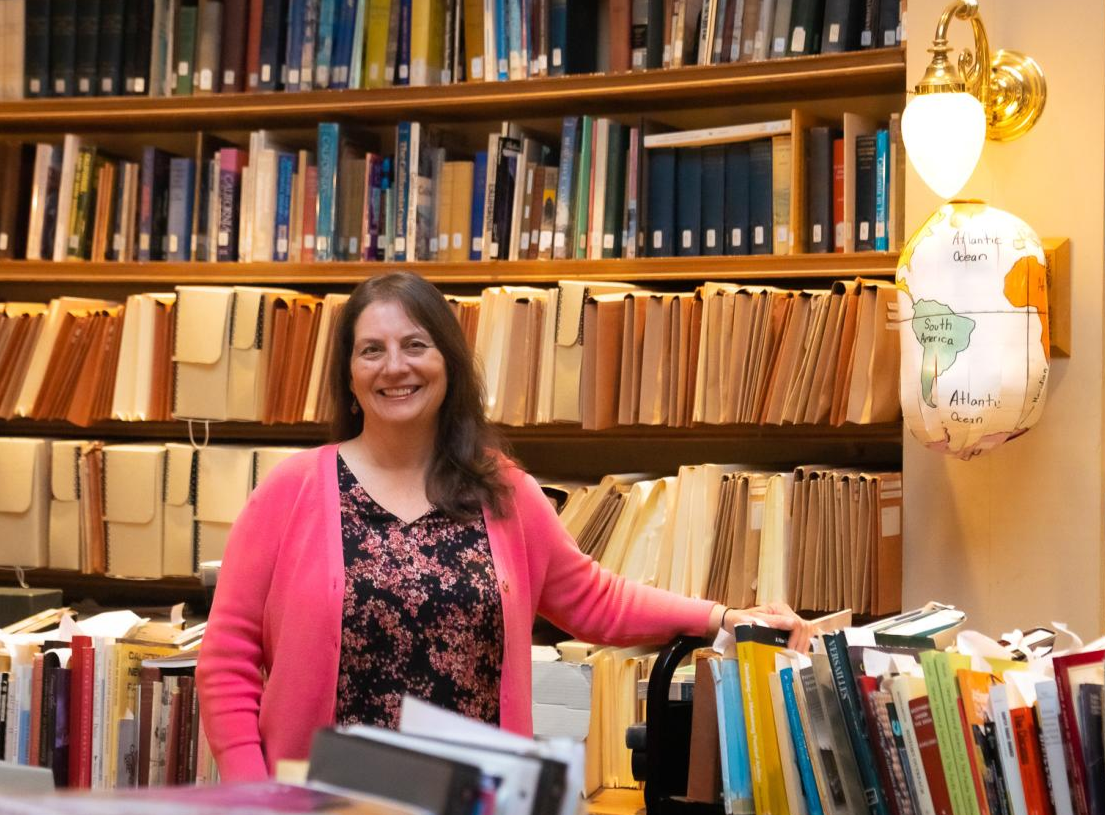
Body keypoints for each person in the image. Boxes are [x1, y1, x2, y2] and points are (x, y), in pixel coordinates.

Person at [196, 272, 812, 782]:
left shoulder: (502, 490)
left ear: (448, 362)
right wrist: (254, 793)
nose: (395, 367)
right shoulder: (292, 490)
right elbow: (227, 661)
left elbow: (594, 598)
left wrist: (722, 618)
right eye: (371, 349)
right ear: (350, 376)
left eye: (415, 345)